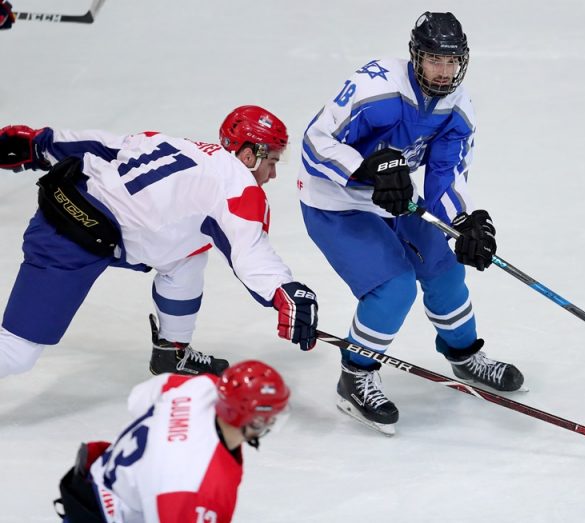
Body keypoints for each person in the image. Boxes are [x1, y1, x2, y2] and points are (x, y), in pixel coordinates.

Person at [298, 11, 524, 435]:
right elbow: (314, 144)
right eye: (435, 60)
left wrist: (465, 220)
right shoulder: (375, 87)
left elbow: (447, 173)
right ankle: (355, 376)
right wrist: (367, 168)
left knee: (445, 270)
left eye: (452, 61)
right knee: (393, 287)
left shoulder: (458, 109)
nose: (444, 71)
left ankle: (465, 357)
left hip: (396, 199)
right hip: (335, 201)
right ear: (415, 58)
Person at [0, 105, 318, 378]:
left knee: (188, 256)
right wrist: (284, 292)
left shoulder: (178, 145)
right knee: (16, 353)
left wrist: (38, 144)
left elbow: (100, 145)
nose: (273, 174)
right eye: (272, 162)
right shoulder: (241, 190)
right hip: (71, 239)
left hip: (79, 212)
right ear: (248, 155)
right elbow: (250, 253)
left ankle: (171, 352)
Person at [54, 359, 290, 522]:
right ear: (255, 421)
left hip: (95, 481)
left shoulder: (202, 386)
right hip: (105, 514)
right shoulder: (194, 483)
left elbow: (137, 399)